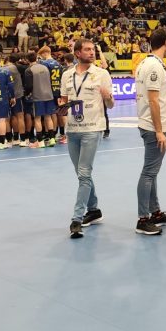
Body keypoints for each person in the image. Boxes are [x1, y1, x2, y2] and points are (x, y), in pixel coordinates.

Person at [61, 39, 114, 239]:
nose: (92, 53)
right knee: (81, 174)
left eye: (93, 50)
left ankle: (76, 219)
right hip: (72, 129)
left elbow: (111, 105)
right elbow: (64, 100)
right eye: (87, 50)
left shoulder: (102, 74)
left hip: (92, 128)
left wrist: (107, 96)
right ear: (77, 53)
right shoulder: (67, 75)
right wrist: (61, 108)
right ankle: (94, 210)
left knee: (84, 173)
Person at [134, 29, 166, 236]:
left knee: (152, 171)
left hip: (150, 125)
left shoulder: (147, 63)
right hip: (154, 127)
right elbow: (153, 100)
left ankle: (155, 211)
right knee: (149, 172)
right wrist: (159, 130)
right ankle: (143, 219)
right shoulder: (154, 66)